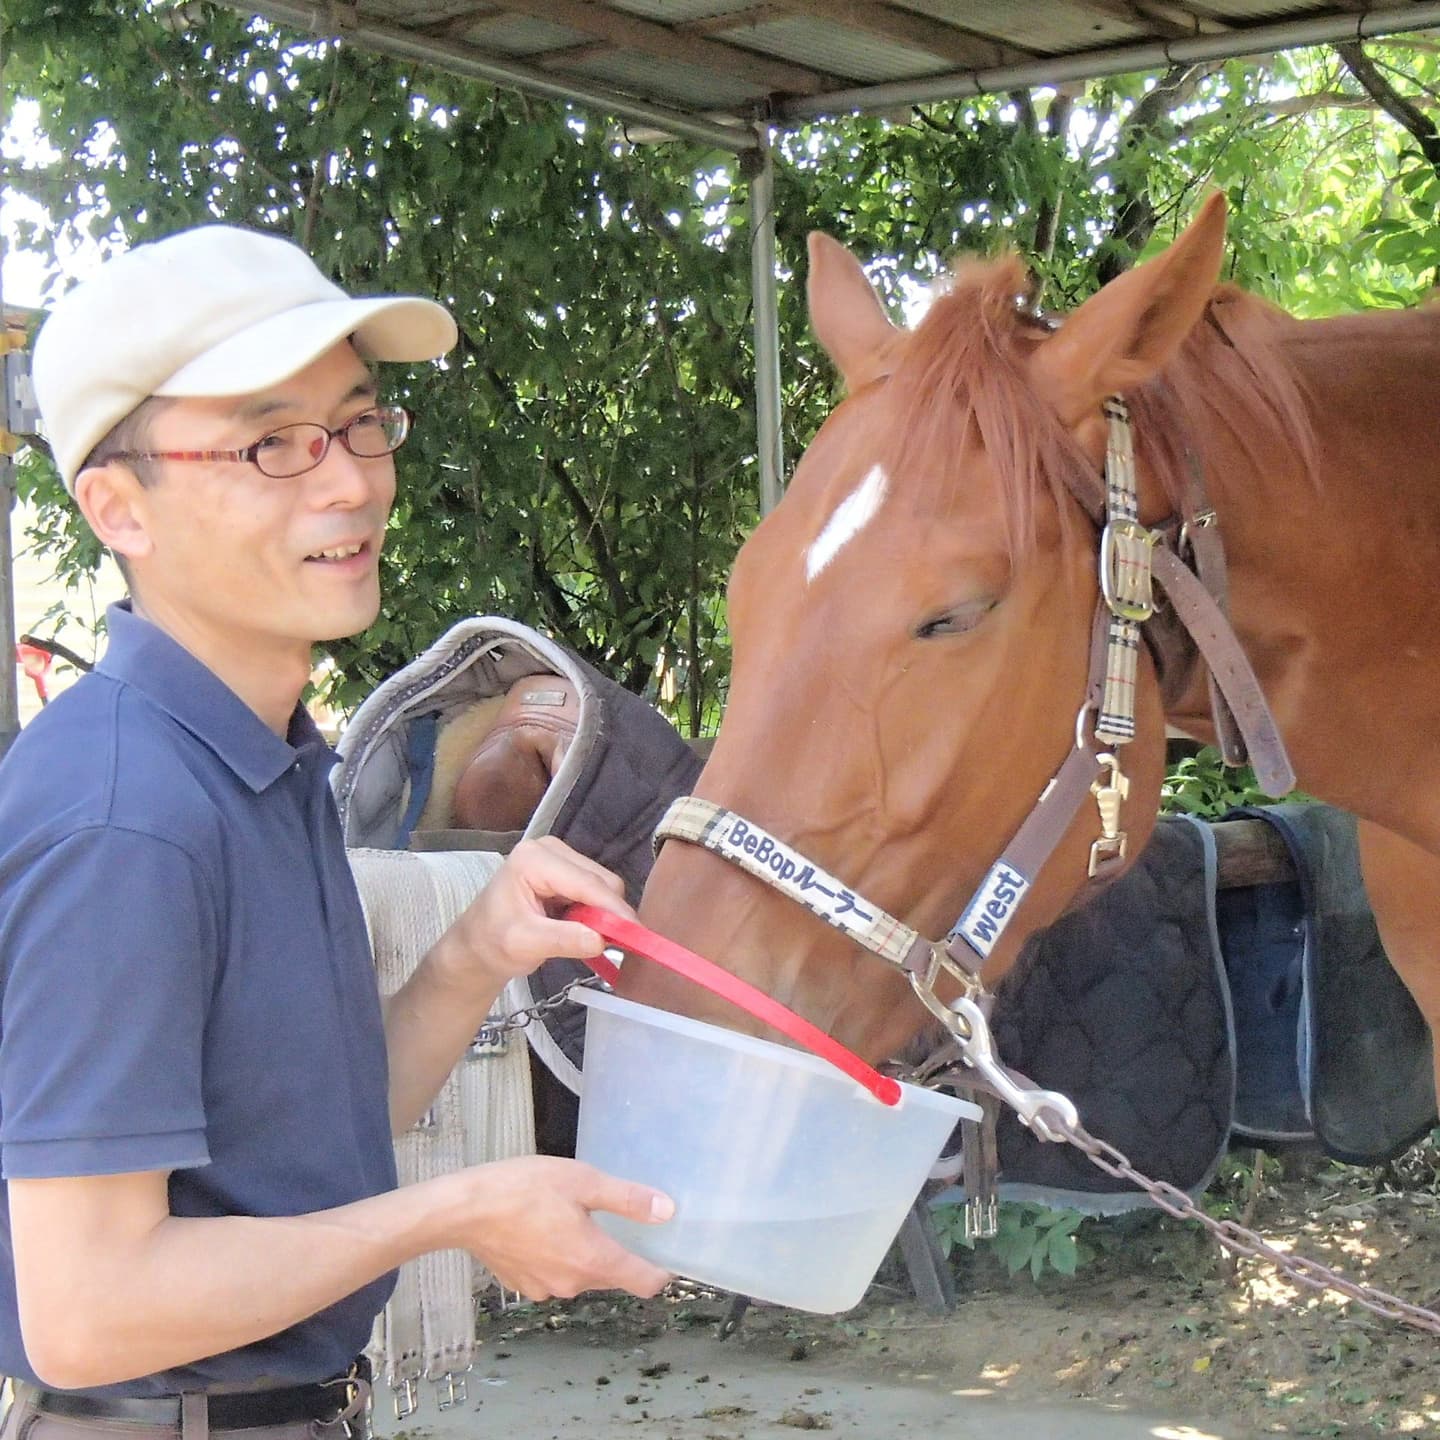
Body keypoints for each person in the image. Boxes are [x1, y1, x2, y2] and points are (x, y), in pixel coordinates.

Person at [0, 225, 674, 1437]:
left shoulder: (257, 766)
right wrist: (455, 1213)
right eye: (272, 443)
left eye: (361, 422)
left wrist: (476, 952)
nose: (350, 480)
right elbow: (86, 1311)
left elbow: (306, 1134)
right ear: (118, 508)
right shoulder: (126, 817)